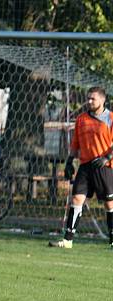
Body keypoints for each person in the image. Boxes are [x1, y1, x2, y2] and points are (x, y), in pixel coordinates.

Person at [49, 86, 113, 249]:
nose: (90, 101)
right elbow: (75, 144)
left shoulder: (110, 118)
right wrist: (70, 161)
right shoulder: (81, 119)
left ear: (103, 100)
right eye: (89, 98)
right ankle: (68, 240)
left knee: (109, 204)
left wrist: (107, 157)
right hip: (85, 166)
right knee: (77, 199)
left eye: (93, 98)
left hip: (104, 166)